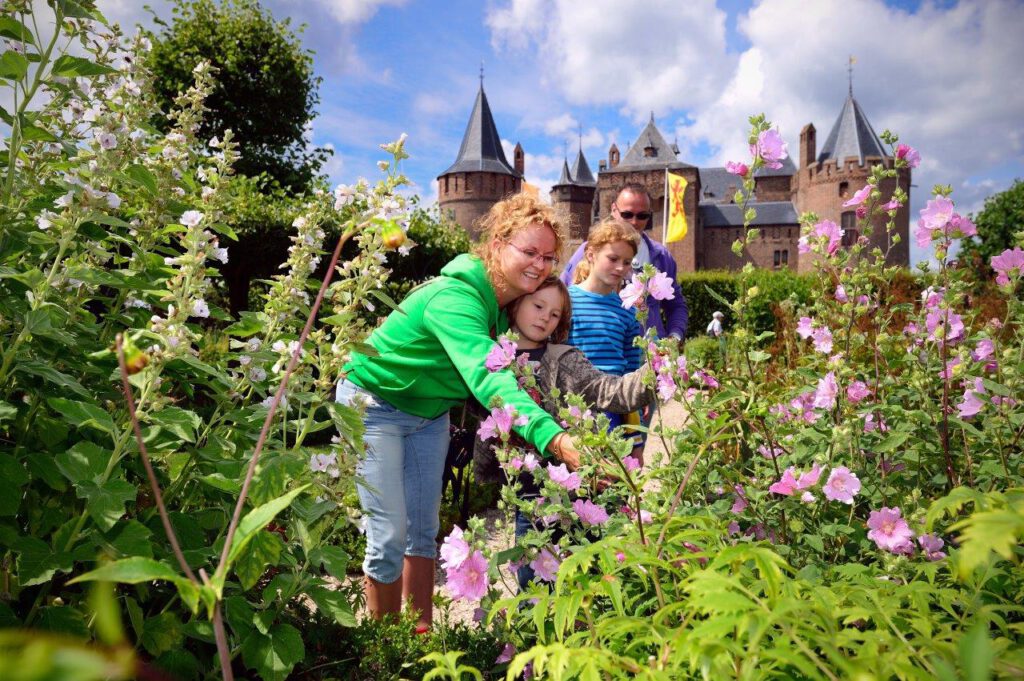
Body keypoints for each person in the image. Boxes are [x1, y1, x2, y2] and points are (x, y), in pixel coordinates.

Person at [337, 194, 582, 630]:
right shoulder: (455, 299)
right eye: (528, 251)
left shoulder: (506, 309)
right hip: (373, 403)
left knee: (423, 530)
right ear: (497, 243)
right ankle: (383, 650)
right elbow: (489, 378)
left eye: (548, 256)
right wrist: (557, 440)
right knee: (390, 533)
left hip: (429, 416)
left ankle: (419, 639)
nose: (539, 264)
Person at [472, 276, 655, 589]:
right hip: (528, 494)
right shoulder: (491, 361)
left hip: (573, 490)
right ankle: (535, 634)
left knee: (584, 576)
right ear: (516, 305)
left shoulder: (565, 359)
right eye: (538, 305)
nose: (545, 316)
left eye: (555, 314)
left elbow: (610, 390)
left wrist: (653, 369)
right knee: (534, 582)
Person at [560, 183, 689, 341]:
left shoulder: (661, 256)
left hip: (649, 353)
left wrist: (674, 336)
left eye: (642, 216)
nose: (634, 222)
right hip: (603, 349)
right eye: (627, 214)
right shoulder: (590, 249)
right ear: (614, 210)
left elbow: (675, 304)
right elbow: (561, 294)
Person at [566, 218, 645, 449]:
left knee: (611, 480)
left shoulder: (626, 311)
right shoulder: (564, 302)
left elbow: (631, 375)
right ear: (591, 254)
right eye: (613, 259)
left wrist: (635, 441)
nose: (621, 267)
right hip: (574, 408)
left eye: (627, 262)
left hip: (613, 411)